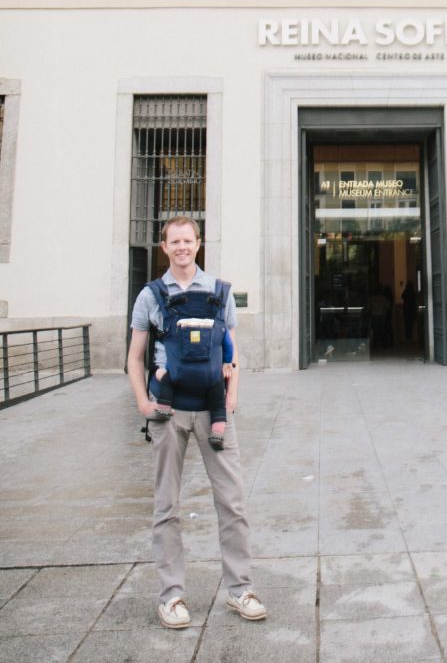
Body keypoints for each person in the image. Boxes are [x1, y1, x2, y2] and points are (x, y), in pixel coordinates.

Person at [126, 216, 267, 631]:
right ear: (164, 247)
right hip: (168, 412)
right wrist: (142, 403)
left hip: (213, 409)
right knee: (166, 505)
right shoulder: (150, 296)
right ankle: (171, 596)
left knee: (233, 502)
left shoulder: (219, 292)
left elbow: (231, 352)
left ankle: (240, 589)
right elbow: (135, 356)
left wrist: (233, 396)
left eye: (188, 240)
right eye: (175, 241)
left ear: (199, 244)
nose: (182, 247)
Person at [153, 324, 235, 451]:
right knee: (218, 404)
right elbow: (228, 344)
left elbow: (171, 346)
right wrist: (227, 362)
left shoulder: (179, 323)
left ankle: (164, 406)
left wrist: (166, 369)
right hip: (211, 371)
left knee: (168, 379)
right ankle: (217, 432)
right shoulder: (218, 322)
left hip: (182, 370)